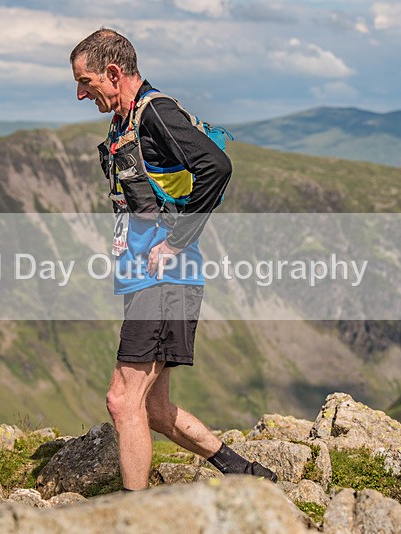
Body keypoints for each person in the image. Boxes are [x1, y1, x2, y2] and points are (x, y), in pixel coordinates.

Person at [70, 29, 277, 491]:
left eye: (85, 81)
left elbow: (217, 167)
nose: (80, 93)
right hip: (146, 279)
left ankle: (132, 514)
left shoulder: (155, 113)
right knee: (154, 409)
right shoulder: (125, 121)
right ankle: (244, 471)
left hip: (167, 280)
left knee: (122, 401)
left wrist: (176, 242)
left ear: (113, 72)